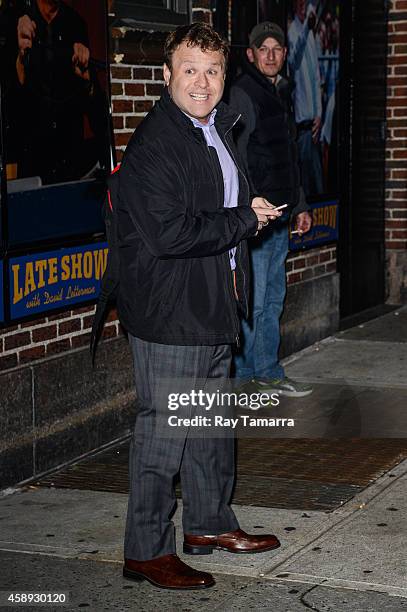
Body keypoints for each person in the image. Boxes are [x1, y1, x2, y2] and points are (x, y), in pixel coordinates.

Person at [117, 23, 281, 590]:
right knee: (164, 433)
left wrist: (247, 205)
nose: (203, 82)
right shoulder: (156, 143)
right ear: (167, 75)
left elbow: (218, 199)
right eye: (190, 69)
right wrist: (243, 220)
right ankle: (145, 550)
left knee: (210, 426)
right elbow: (170, 233)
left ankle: (208, 524)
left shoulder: (210, 130)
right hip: (170, 312)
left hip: (212, 303)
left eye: (212, 70)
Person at [229, 21, 313, 398]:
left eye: (276, 49)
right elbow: (237, 158)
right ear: (250, 55)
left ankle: (267, 372)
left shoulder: (282, 92)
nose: (271, 55)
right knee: (256, 301)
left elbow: (290, 157)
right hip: (259, 220)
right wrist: (250, 208)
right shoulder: (244, 93)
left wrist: (301, 205)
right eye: (263, 49)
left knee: (273, 298)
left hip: (280, 216)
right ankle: (248, 379)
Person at [6, 0, 107, 184]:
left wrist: (87, 80)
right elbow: (10, 106)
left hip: (69, 163)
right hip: (32, 161)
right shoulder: (18, 18)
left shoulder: (75, 23)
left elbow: (97, 117)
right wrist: (20, 60)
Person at [288, 0, 323, 196]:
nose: (302, 6)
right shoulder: (293, 32)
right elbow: (293, 62)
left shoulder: (309, 34)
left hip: (312, 126)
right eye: (299, 3)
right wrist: (306, 31)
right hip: (300, 128)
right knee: (306, 189)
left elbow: (316, 77)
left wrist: (319, 113)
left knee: (316, 188)